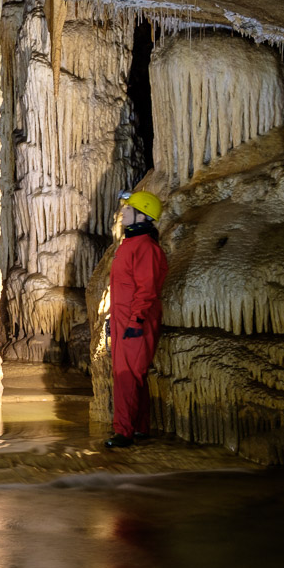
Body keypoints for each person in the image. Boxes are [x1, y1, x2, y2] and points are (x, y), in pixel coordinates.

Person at [105, 190, 169, 449]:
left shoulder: (146, 248)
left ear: (142, 216)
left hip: (136, 322)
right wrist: (114, 318)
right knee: (134, 377)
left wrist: (135, 321)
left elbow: (147, 289)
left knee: (126, 377)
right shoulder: (129, 245)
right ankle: (140, 427)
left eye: (128, 209)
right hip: (124, 319)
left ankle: (124, 432)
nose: (123, 213)